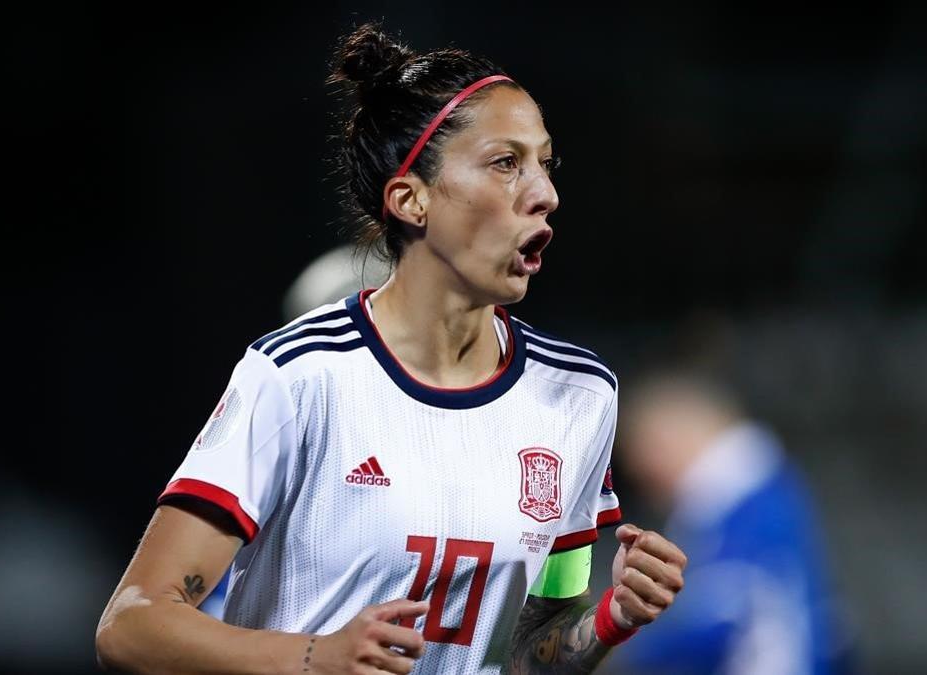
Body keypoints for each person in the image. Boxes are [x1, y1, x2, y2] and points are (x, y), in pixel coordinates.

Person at [95, 23, 687, 675]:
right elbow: (132, 622)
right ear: (411, 199)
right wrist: (315, 655)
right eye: (505, 162)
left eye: (545, 163)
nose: (545, 193)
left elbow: (530, 652)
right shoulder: (297, 376)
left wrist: (610, 617)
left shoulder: (580, 396)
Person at [608, 369, 849, 675]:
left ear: (665, 440)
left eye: (642, 460)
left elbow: (724, 615)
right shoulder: (758, 493)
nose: (644, 482)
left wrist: (612, 641)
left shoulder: (741, 499)